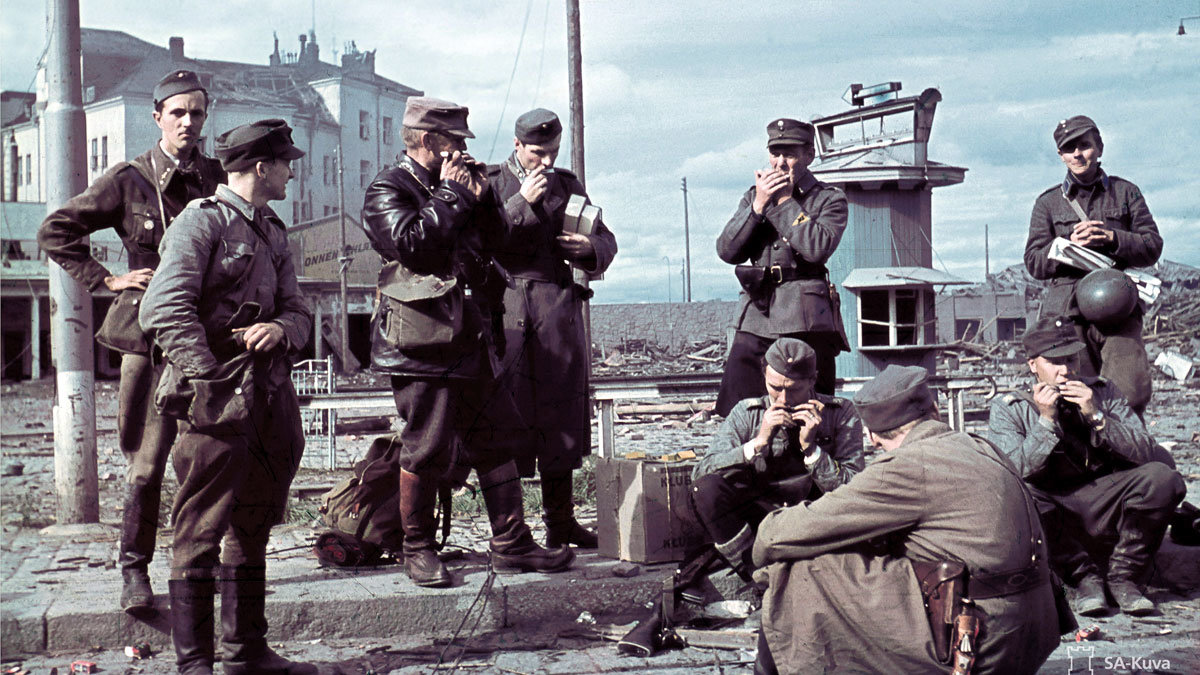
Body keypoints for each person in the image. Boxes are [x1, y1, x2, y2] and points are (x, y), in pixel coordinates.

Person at [361, 97, 573, 589]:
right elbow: (412, 245)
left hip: (472, 333)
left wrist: (483, 201)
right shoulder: (387, 189)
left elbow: (497, 242)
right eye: (455, 141)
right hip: (420, 342)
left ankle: (511, 542)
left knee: (497, 435)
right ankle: (416, 546)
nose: (461, 150)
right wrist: (454, 197)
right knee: (428, 444)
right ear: (430, 142)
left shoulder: (456, 185)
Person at [37, 69, 225, 612]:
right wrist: (108, 280)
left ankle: (197, 566)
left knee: (211, 457)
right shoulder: (131, 179)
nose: (189, 122)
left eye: (197, 113)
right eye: (178, 112)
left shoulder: (218, 178)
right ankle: (134, 571)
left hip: (207, 342)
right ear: (157, 116)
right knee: (145, 467)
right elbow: (57, 230)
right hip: (148, 344)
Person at [139, 119, 315, 675]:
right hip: (212, 403)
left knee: (253, 523)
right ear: (262, 168)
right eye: (285, 162)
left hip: (267, 398)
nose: (291, 171)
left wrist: (283, 331)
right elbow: (163, 310)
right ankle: (196, 665)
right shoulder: (202, 223)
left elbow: (300, 310)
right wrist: (210, 376)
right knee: (199, 528)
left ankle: (246, 653)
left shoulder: (273, 230)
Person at [752, 365, 1059, 675]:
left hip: (980, 644)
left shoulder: (909, 464)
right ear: (936, 411)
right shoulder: (980, 447)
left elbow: (778, 536)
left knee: (798, 570)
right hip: (1033, 633)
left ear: (873, 437)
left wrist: (765, 534)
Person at [986, 316, 1185, 616]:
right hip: (1054, 507)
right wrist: (1045, 422)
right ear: (1032, 365)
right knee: (1018, 493)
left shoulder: (1103, 392)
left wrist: (1097, 416)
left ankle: (1124, 578)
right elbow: (1013, 471)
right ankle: (1083, 578)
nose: (1066, 370)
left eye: (1070, 358)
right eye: (1054, 361)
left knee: (1162, 478)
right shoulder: (1010, 407)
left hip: (1104, 498)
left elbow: (1146, 451)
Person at [488, 108, 618, 549]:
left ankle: (560, 523)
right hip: (504, 308)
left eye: (553, 152)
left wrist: (589, 246)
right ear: (517, 145)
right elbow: (486, 240)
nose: (544, 162)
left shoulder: (566, 184)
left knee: (560, 417)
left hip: (556, 310)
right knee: (507, 418)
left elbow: (606, 237)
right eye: (537, 152)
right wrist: (521, 200)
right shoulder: (493, 183)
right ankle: (510, 529)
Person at [689, 338, 863, 579]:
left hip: (815, 516)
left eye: (793, 389)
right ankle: (753, 570)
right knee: (705, 489)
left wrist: (811, 450)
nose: (783, 399)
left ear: (812, 380)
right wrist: (757, 443)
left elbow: (854, 490)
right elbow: (702, 472)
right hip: (763, 515)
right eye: (774, 388)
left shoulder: (840, 413)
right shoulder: (746, 412)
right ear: (764, 375)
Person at [1024, 115, 1162, 416]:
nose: (1077, 154)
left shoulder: (1126, 193)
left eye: (1084, 146)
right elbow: (1034, 261)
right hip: (1069, 316)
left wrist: (1112, 237)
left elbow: (1152, 246)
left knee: (1129, 394)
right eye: (1068, 149)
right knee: (1074, 395)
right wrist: (1064, 245)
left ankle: (1128, 453)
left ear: (1098, 147)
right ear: (1060, 155)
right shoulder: (1048, 203)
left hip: (1118, 310)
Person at [714, 118, 848, 417]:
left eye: (789, 154)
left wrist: (785, 201)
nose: (780, 162)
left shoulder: (829, 198)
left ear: (809, 156)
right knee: (738, 408)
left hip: (805, 321)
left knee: (810, 410)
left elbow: (816, 248)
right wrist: (757, 207)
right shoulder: (754, 196)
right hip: (757, 317)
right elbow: (726, 250)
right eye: (775, 153)